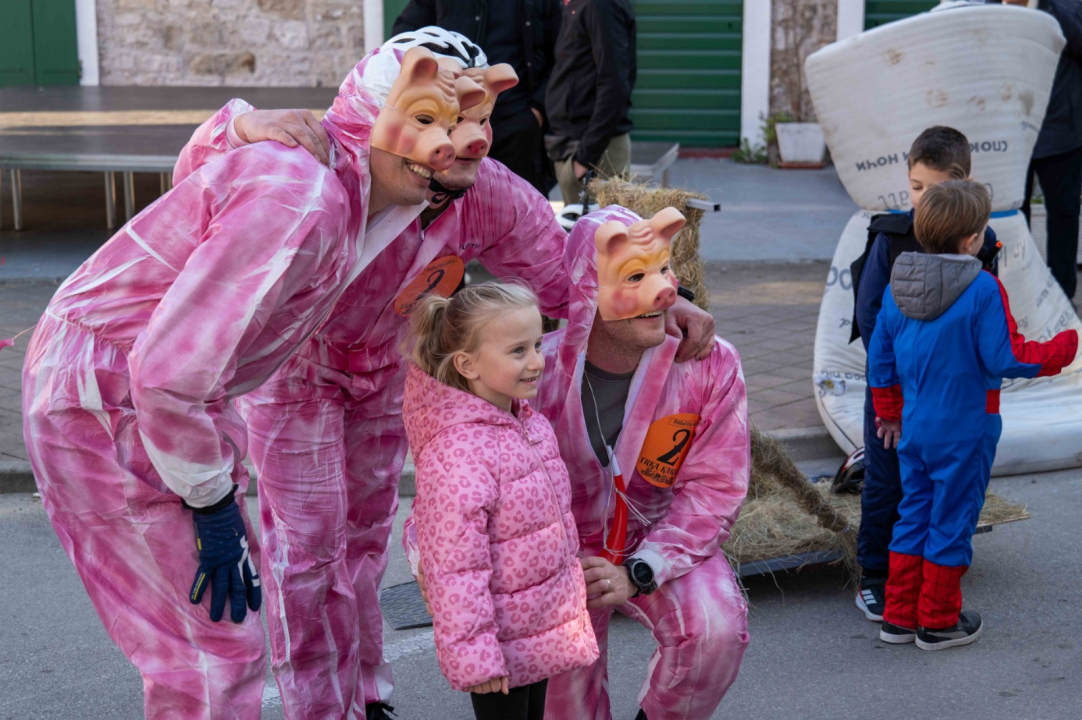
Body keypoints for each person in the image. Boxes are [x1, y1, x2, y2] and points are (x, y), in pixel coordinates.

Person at [174, 28, 716, 720]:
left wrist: (655, 297)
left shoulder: (483, 192)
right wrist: (239, 123)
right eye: (444, 117)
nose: (469, 139)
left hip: (380, 375)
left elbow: (562, 268)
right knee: (307, 557)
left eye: (477, 118)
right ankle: (319, 708)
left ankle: (367, 695)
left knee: (365, 545)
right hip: (295, 374)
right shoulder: (330, 166)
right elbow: (198, 183)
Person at [18, 44, 478, 720]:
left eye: (464, 120)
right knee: (210, 656)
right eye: (429, 118)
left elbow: (200, 193)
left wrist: (230, 127)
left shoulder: (355, 199)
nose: (452, 143)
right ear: (372, 116)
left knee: (219, 642)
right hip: (110, 397)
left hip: (166, 398)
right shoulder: (307, 203)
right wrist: (210, 503)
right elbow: (165, 372)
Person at [410, 206, 750, 720]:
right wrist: (436, 576)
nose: (660, 291)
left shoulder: (707, 364)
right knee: (564, 703)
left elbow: (715, 489)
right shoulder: (530, 374)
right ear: (590, 289)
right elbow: (449, 491)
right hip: (554, 558)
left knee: (715, 628)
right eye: (634, 276)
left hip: (653, 539)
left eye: (663, 272)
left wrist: (643, 568)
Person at [868, 180, 1077, 650]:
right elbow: (1007, 357)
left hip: (915, 430)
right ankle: (939, 621)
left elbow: (879, 361)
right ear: (970, 240)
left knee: (912, 516)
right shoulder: (983, 287)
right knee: (952, 520)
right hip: (966, 429)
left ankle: (898, 616)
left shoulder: (897, 284)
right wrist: (1065, 348)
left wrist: (890, 414)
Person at [403, 283, 599, 720]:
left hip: (536, 628)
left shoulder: (525, 422)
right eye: (517, 351)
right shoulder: (458, 452)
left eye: (536, 344)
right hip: (496, 643)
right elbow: (456, 569)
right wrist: (477, 656)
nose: (536, 362)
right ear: (467, 364)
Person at [848, 126, 999, 623]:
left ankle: (928, 580)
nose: (922, 200)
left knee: (939, 487)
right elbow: (872, 315)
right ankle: (875, 576)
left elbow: (989, 317)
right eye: (915, 187)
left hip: (951, 394)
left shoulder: (983, 239)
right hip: (894, 388)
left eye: (933, 189)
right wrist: (894, 383)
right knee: (888, 481)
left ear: (963, 184)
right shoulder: (891, 236)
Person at [393, 4, 562, 194]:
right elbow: (404, 34)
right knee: (446, 202)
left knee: (518, 203)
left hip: (517, 123)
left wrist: (536, 111)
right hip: (450, 122)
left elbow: (560, 54)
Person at [1006, 0, 1082, 300]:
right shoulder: (985, 9)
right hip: (1008, 135)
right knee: (1011, 217)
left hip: (1061, 133)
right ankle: (1016, 296)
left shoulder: (1065, 9)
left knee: (1063, 216)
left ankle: (1061, 297)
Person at [546, 0, 637, 205]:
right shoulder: (575, 6)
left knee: (602, 235)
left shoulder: (600, 5)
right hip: (578, 148)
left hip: (595, 154)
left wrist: (584, 160)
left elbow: (614, 84)